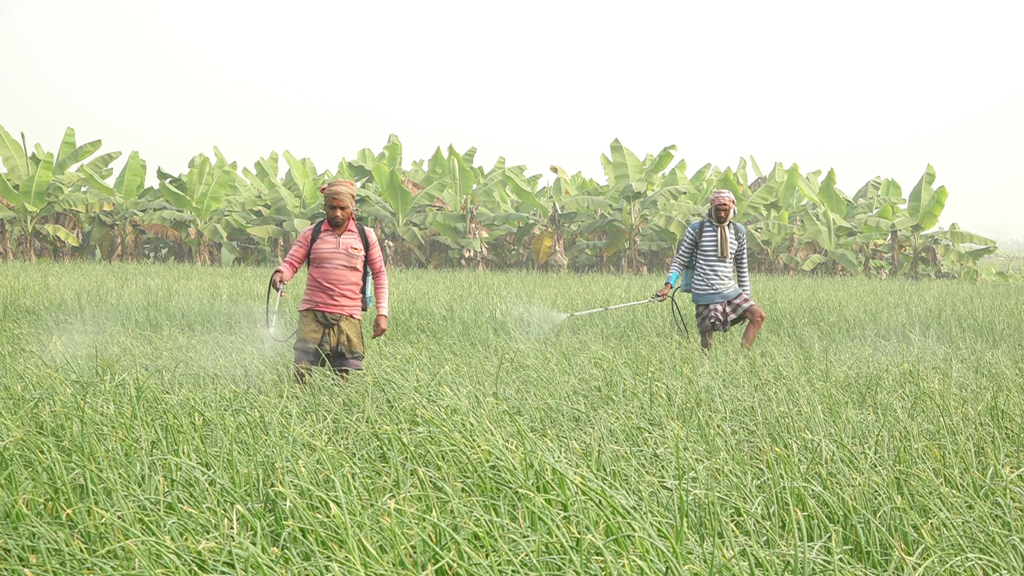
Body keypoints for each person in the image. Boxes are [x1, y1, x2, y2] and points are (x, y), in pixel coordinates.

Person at [271, 180, 389, 382]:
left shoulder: (365, 236)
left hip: (348, 314)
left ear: (352, 207)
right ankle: (299, 404)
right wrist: (281, 273)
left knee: (342, 372)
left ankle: (338, 408)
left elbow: (379, 274)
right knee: (302, 367)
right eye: (332, 207)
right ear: (324, 206)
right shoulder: (311, 234)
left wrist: (382, 313)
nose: (337, 213)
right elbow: (291, 263)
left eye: (342, 208)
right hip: (312, 311)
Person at [655, 189, 766, 351]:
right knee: (707, 340)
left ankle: (740, 361)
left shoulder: (738, 232)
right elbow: (680, 259)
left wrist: (746, 297)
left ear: (732, 211)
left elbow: (742, 267)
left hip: (730, 289)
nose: (721, 214)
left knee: (757, 316)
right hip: (704, 292)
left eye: (725, 210)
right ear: (711, 210)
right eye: (718, 210)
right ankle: (707, 369)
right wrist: (668, 286)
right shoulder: (697, 229)